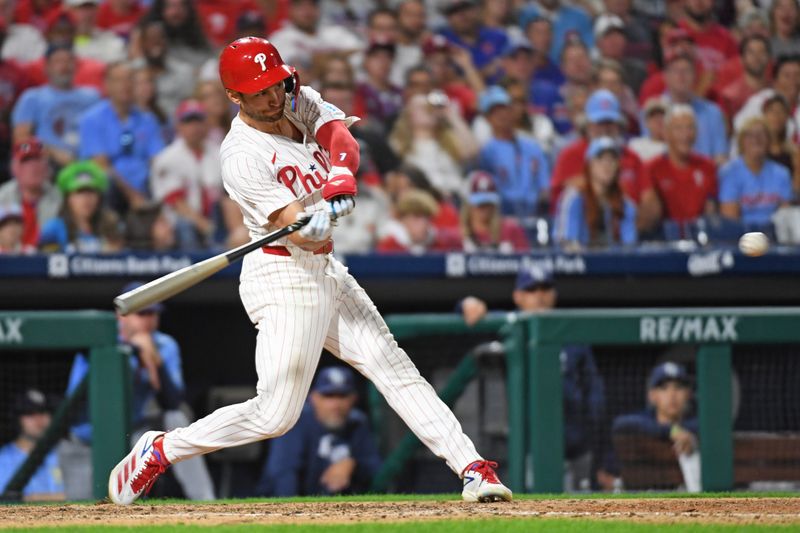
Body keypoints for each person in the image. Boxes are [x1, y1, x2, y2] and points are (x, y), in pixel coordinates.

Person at [108, 36, 512, 506]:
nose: (272, 96)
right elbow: (300, 233)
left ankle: (472, 468)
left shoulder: (295, 97)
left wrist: (340, 177)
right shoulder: (241, 156)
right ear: (234, 97)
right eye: (258, 91)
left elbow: (340, 137)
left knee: (391, 366)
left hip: (324, 270)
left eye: (274, 85)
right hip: (284, 276)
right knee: (275, 416)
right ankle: (162, 448)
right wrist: (311, 223)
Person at [59, 284, 215, 501]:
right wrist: (131, 353)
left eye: (154, 313)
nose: (149, 320)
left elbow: (173, 402)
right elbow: (74, 405)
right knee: (83, 511)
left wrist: (154, 362)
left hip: (133, 437)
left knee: (176, 418)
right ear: (121, 315)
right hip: (85, 443)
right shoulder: (98, 341)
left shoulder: (163, 344)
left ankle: (205, 501)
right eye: (142, 313)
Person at [459, 265, 606, 492]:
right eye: (531, 289)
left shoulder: (573, 334)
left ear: (554, 294)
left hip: (576, 447)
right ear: (518, 297)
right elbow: (474, 313)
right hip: (529, 451)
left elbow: (594, 394)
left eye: (545, 288)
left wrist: (599, 448)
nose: (539, 295)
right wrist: (466, 303)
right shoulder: (512, 326)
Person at [257, 367, 382, 497]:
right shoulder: (295, 421)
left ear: (353, 398)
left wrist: (353, 464)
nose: (335, 405)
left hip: (337, 510)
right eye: (328, 396)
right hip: (287, 506)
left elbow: (376, 469)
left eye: (342, 396)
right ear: (313, 398)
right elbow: (283, 476)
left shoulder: (357, 423)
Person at [78, 61, 165, 212]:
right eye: (118, 80)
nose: (125, 85)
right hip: (113, 190)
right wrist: (133, 196)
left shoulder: (148, 119)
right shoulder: (91, 119)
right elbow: (101, 165)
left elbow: (157, 159)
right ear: (106, 85)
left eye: (130, 79)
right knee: (107, 180)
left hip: (146, 185)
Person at [150, 99, 222, 250]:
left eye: (199, 120)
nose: (195, 127)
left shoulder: (217, 152)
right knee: (185, 226)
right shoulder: (167, 157)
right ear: (179, 126)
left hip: (214, 219)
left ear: (206, 124)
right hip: (177, 223)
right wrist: (204, 225)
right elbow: (176, 202)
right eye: (189, 121)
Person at [11, 44, 99, 167]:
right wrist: (51, 152)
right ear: (46, 67)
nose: (64, 66)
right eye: (58, 61)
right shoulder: (32, 98)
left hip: (90, 162)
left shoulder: (92, 96)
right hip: (47, 164)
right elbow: (21, 141)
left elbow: (103, 130)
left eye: (69, 60)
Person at [477, 86, 550, 218]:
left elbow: (544, 185)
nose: (501, 115)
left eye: (504, 109)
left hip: (535, 212)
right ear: (487, 118)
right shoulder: (486, 152)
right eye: (494, 111)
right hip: (504, 215)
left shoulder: (532, 146)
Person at [553, 136, 638, 248]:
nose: (607, 164)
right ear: (589, 164)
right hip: (579, 262)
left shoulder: (625, 204)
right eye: (600, 158)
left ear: (618, 166)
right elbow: (566, 242)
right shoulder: (573, 198)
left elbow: (629, 246)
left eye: (612, 159)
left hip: (615, 262)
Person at [645, 105, 718, 234]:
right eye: (678, 128)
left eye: (690, 128)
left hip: (700, 239)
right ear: (666, 133)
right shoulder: (652, 168)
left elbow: (710, 212)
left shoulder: (708, 167)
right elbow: (650, 218)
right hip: (664, 241)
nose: (685, 135)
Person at [612, 361, 698, 461]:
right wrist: (671, 430)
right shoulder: (642, 424)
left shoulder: (698, 426)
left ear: (688, 394)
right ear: (652, 395)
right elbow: (620, 423)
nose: (672, 395)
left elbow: (704, 426)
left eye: (678, 387)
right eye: (664, 388)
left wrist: (690, 436)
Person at [719, 117, 793, 231]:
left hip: (774, 234)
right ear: (742, 141)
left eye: (761, 134)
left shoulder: (782, 173)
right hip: (740, 235)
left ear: (769, 141)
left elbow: (785, 216)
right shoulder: (729, 173)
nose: (756, 139)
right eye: (750, 135)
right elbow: (730, 220)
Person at [38, 160, 123, 253]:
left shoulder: (111, 226)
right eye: (80, 192)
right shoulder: (54, 229)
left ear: (99, 198)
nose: (86, 199)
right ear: (68, 198)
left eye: (91, 191)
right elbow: (46, 263)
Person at [0, 389, 64, 501]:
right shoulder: (4, 459)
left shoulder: (63, 453)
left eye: (43, 412)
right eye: (30, 413)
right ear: (17, 419)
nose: (39, 420)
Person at [0, 139, 61, 249]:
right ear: (14, 168)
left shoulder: (60, 198)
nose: (33, 167)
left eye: (38, 160)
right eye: (26, 161)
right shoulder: (2, 197)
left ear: (47, 167)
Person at [460, 170, 528, 253]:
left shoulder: (510, 230)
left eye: (488, 203)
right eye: (479, 204)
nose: (484, 208)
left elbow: (526, 260)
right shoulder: (458, 235)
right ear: (469, 204)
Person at [376, 189, 462, 254]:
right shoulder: (389, 246)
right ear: (403, 220)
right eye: (414, 217)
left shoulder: (442, 245)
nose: (420, 223)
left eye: (424, 217)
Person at [66, 0, 126, 64]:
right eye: (81, 8)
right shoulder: (62, 41)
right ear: (70, 11)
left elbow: (118, 64)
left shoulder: (110, 38)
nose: (87, 14)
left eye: (91, 8)